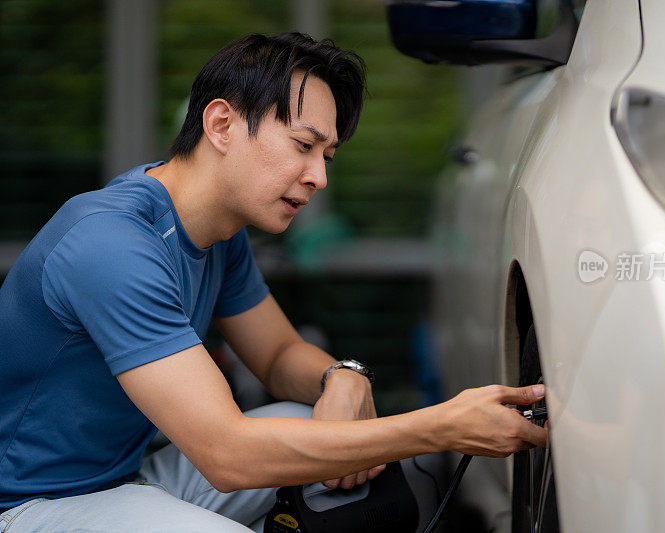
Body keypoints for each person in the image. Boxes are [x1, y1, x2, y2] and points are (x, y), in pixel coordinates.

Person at [0, 32, 547, 531]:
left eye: (327, 156)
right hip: (27, 506)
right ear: (220, 125)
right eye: (303, 146)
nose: (320, 177)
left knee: (311, 415)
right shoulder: (110, 243)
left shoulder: (219, 232)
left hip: (124, 478)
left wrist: (345, 377)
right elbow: (227, 454)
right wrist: (439, 427)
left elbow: (280, 354)